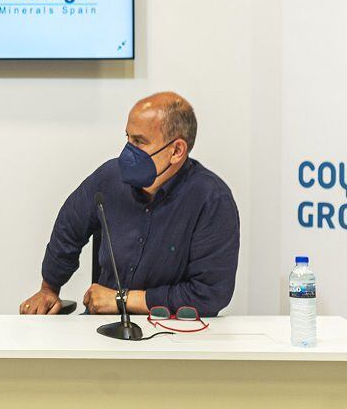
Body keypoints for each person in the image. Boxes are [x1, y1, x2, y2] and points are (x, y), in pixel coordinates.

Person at [20, 92, 239, 318]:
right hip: (103, 326)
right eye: (128, 139)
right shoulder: (110, 178)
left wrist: (121, 299)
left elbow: (209, 295)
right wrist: (49, 289)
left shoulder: (211, 199)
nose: (128, 152)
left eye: (139, 142)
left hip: (172, 332)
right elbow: (69, 228)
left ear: (176, 151)